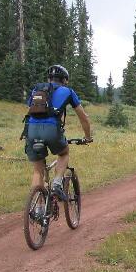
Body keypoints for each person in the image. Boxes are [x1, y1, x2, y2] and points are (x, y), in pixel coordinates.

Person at [24, 64, 92, 201]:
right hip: (51, 130)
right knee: (64, 152)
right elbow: (83, 117)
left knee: (38, 171)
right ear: (65, 80)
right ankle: (56, 184)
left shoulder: (37, 89)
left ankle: (37, 209)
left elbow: (31, 109)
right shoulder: (68, 91)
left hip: (30, 129)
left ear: (49, 79)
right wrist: (87, 137)